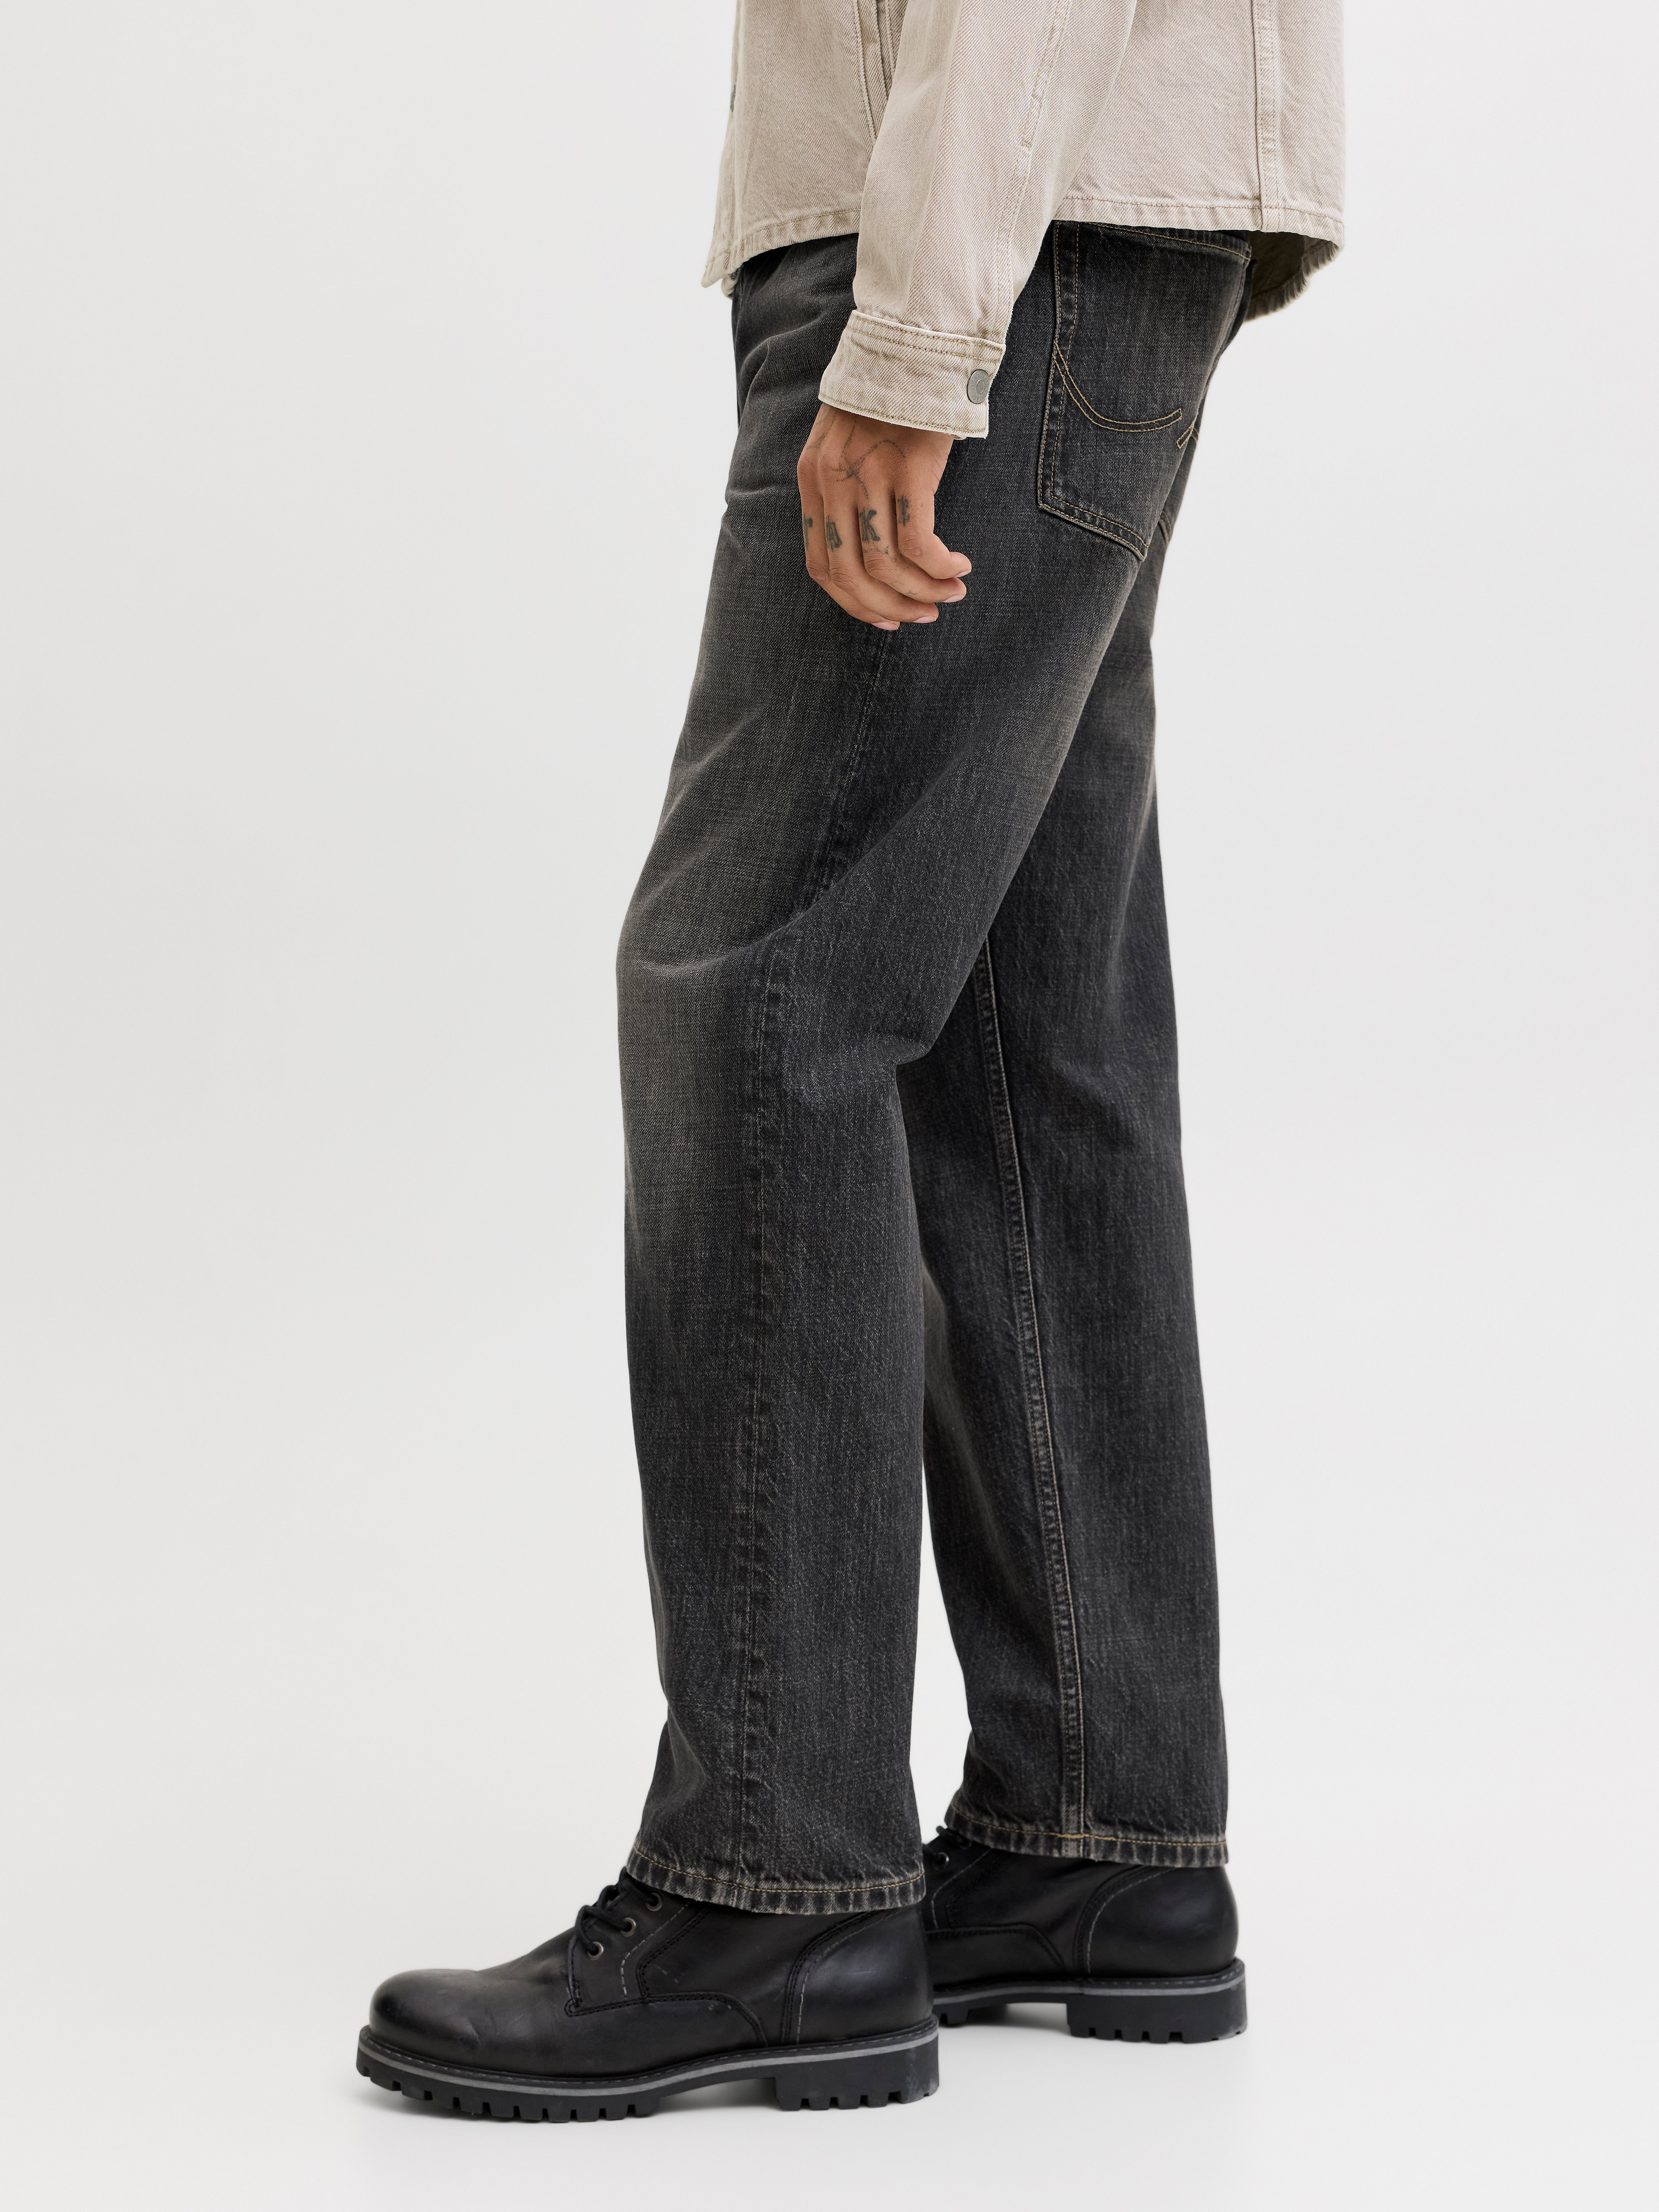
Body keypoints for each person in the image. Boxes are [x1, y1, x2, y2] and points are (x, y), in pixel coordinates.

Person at [357, 0, 1343, 2123]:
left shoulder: (951, 284)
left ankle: (773, 1879)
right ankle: (1094, 1832)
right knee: (1018, 1022)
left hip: (991, 227)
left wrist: (914, 336)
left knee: (757, 989)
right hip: (1077, 218)